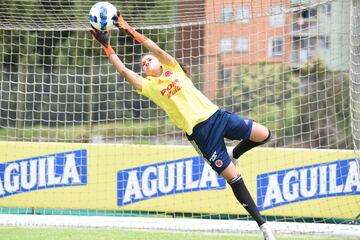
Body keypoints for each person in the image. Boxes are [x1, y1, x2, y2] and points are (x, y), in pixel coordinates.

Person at [90, 13, 276, 240]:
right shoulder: (149, 86)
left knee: (264, 135)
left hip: (218, 116)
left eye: (149, 59)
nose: (146, 62)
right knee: (234, 178)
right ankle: (264, 226)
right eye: (143, 63)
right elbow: (123, 71)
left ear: (158, 62)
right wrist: (107, 47)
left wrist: (127, 28)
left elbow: (154, 48)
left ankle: (235, 152)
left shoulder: (174, 69)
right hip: (202, 134)